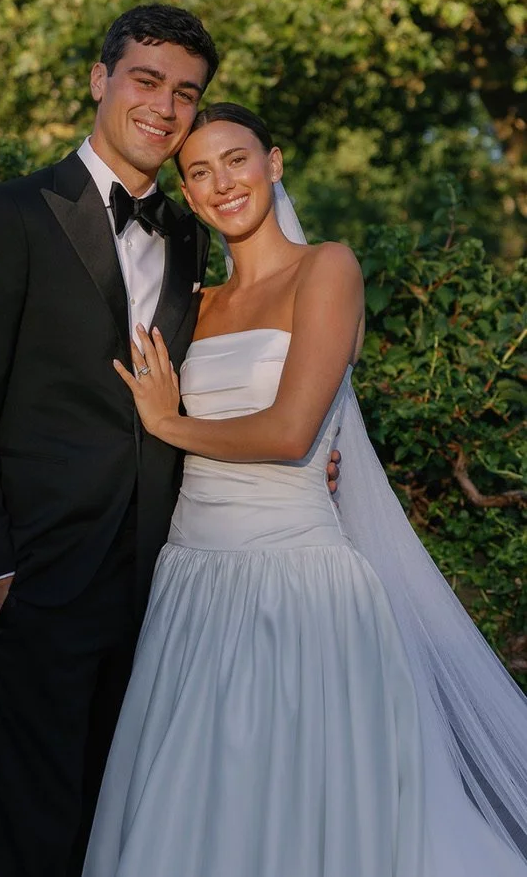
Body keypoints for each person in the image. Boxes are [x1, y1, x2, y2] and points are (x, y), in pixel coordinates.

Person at [0, 3, 346, 877]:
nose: (165, 105)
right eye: (146, 79)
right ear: (100, 80)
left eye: (187, 92)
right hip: (45, 577)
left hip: (175, 580)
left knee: (140, 818)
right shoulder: (10, 216)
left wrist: (315, 448)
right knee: (33, 821)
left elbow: (254, 370)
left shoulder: (206, 233)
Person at [82, 103, 527, 877]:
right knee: (193, 808)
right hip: (191, 580)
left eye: (237, 160)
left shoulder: (327, 268)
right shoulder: (198, 305)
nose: (221, 183)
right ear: (186, 192)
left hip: (296, 583)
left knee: (300, 806)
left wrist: (170, 423)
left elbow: (291, 431)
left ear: (274, 164)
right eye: (199, 171)